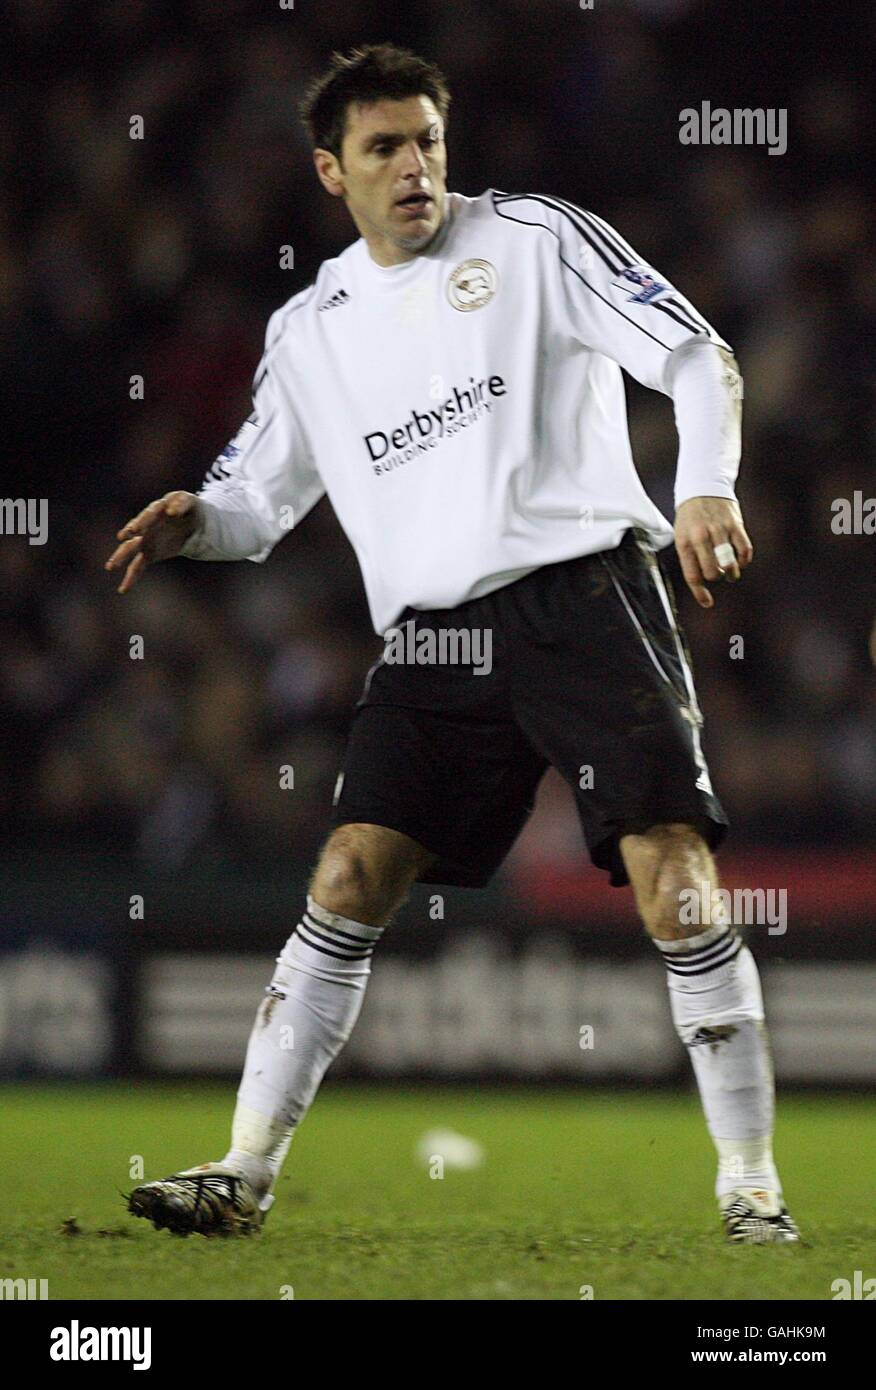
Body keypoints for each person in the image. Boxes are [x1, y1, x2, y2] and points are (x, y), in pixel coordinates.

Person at [106, 43, 797, 1245]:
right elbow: (259, 502)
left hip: (586, 595)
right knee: (346, 875)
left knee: (674, 886)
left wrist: (705, 487)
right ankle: (242, 1170)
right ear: (333, 171)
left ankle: (750, 1191)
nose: (415, 165)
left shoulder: (535, 238)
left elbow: (691, 351)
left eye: (427, 139)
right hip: (434, 640)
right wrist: (196, 522)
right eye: (384, 148)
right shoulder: (309, 327)